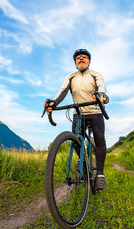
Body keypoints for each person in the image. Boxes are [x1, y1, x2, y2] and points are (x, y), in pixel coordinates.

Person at [44, 48, 109, 190]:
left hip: (95, 112)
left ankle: (100, 174)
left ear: (89, 61)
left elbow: (101, 86)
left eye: (84, 57)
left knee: (99, 137)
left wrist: (101, 95)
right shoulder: (70, 77)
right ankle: (82, 159)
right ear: (75, 62)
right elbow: (62, 91)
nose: (81, 58)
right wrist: (53, 103)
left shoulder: (95, 74)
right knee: (76, 139)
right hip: (78, 113)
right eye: (78, 57)